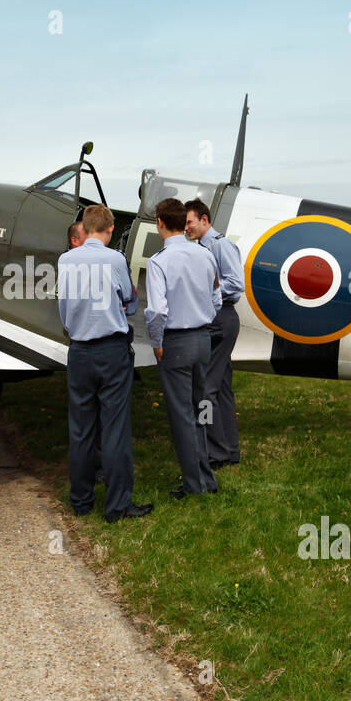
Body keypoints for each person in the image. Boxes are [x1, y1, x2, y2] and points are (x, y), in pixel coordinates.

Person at [57, 204, 151, 523]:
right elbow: (127, 296)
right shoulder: (114, 259)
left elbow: (63, 308)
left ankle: (81, 500)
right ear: (110, 229)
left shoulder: (66, 260)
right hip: (111, 350)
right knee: (115, 429)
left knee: (81, 428)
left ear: (84, 228)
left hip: (80, 350)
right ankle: (117, 505)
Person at [144, 198, 219, 499]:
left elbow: (157, 311)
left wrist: (156, 342)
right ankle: (206, 478)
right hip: (203, 340)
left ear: (160, 222)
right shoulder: (205, 255)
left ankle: (194, 486)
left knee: (182, 416)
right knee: (200, 410)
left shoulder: (159, 262)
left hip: (175, 343)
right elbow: (217, 298)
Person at [184, 198, 243, 469]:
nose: (186, 228)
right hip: (219, 318)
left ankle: (214, 453)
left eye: (190, 222)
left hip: (221, 318)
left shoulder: (219, 244)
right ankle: (229, 450)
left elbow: (236, 283)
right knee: (223, 389)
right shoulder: (205, 246)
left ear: (204, 219)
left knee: (206, 387)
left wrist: (205, 290)